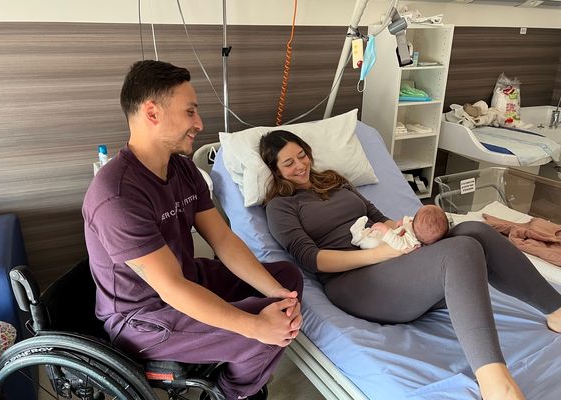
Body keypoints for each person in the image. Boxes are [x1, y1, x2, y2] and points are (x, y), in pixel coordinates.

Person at [259, 129, 561, 400]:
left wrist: (405, 235)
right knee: (460, 250)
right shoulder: (280, 206)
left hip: (390, 260)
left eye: (302, 155)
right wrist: (380, 254)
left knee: (476, 231)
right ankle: (495, 382)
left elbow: (377, 217)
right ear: (275, 170)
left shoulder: (335, 181)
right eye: (289, 163)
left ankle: (556, 310)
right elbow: (311, 259)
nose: (300, 165)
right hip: (352, 282)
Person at [82, 61, 303, 400]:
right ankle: (232, 393)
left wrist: (279, 295)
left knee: (287, 279)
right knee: (258, 332)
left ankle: (240, 376)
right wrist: (257, 326)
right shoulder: (117, 194)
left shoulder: (183, 168)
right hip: (142, 318)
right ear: (152, 113)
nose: (198, 124)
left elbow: (224, 239)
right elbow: (170, 289)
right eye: (189, 112)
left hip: (188, 280)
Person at [350, 204, 449, 250]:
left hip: (381, 246)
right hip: (392, 233)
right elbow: (410, 220)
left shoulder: (413, 242)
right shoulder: (420, 229)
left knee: (371, 242)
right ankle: (364, 234)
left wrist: (385, 229)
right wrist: (403, 221)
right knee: (375, 234)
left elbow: (398, 243)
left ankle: (358, 236)